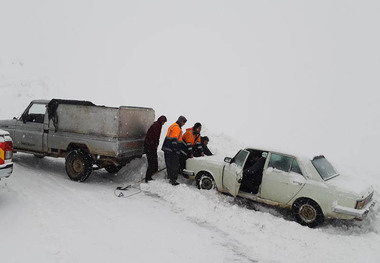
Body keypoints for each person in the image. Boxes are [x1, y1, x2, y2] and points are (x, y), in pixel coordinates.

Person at [162, 116, 187, 186]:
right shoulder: (176, 128)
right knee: (174, 165)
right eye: (184, 122)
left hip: (167, 149)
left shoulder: (173, 126)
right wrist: (175, 150)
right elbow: (174, 140)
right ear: (181, 121)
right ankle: (173, 180)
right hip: (171, 150)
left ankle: (170, 178)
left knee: (170, 164)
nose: (184, 124)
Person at [144, 115, 167, 182]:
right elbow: (154, 137)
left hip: (152, 146)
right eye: (163, 122)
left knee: (153, 163)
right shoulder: (156, 126)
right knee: (151, 163)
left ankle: (149, 177)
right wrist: (154, 144)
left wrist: (156, 144)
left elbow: (156, 138)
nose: (163, 123)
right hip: (150, 147)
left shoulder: (158, 125)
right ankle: (147, 178)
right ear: (161, 121)